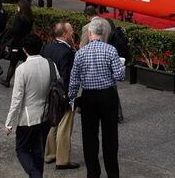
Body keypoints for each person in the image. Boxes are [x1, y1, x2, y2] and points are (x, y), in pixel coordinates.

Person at [68, 18, 124, 178]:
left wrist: (72, 98)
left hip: (89, 96)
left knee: (90, 137)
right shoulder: (111, 50)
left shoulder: (80, 53)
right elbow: (119, 76)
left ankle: (93, 173)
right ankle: (113, 173)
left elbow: (74, 80)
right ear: (103, 33)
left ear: (90, 33)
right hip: (108, 95)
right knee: (110, 137)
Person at [4, 35, 54, 178]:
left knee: (22, 150)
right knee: (38, 152)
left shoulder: (22, 69)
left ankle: (35, 175)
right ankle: (37, 174)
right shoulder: (51, 65)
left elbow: (17, 99)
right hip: (45, 115)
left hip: (27, 118)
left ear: (25, 50)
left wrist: (9, 123)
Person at [42, 21, 79, 171]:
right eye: (70, 31)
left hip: (49, 92)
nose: (72, 33)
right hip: (63, 94)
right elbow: (67, 77)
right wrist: (71, 98)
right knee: (64, 126)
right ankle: (62, 160)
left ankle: (50, 154)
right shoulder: (67, 53)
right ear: (64, 34)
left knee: (52, 122)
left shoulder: (47, 47)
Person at [0, 0, 34, 87]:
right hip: (25, 43)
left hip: (17, 43)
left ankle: (7, 81)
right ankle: (27, 83)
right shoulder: (30, 18)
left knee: (13, 63)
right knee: (26, 62)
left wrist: (10, 30)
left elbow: (16, 30)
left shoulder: (20, 18)